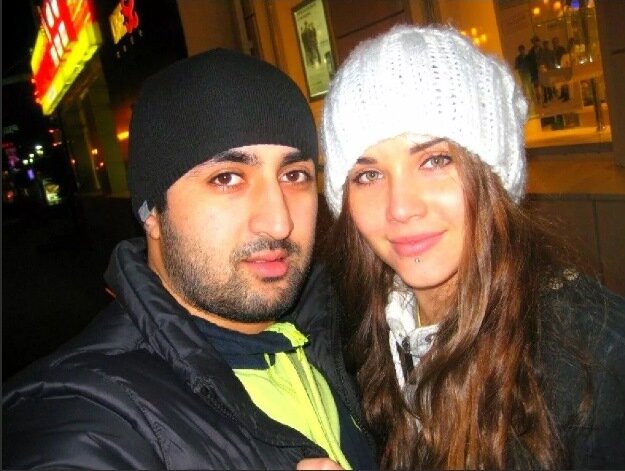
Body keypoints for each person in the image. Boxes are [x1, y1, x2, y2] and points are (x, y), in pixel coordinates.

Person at [3, 49, 375, 470]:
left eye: (294, 175)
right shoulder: (86, 411)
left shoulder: (347, 335)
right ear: (152, 214)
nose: (279, 222)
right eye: (227, 178)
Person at [321, 25, 625, 469]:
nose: (400, 208)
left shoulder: (596, 360)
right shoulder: (357, 339)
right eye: (368, 175)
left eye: (435, 160)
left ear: (493, 176)